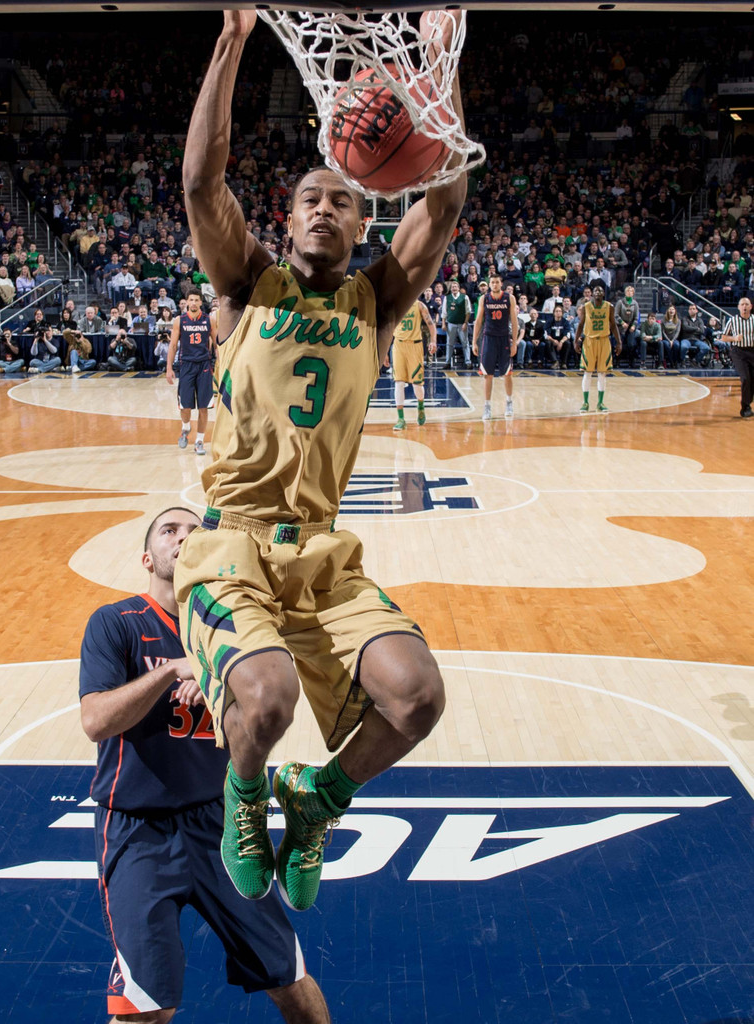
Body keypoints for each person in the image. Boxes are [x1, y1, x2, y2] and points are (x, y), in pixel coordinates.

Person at [174, 9, 457, 913]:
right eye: (311, 198)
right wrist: (230, 41)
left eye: (343, 199)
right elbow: (198, 179)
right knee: (266, 701)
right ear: (288, 217)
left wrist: (441, 64)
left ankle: (318, 796)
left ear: (363, 216)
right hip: (232, 545)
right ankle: (246, 795)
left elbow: (445, 199)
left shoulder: (376, 302)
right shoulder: (243, 283)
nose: (326, 208)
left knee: (416, 698)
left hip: (322, 554)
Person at [79, 508, 330, 1023]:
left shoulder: (234, 633)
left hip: (221, 823)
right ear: (149, 557)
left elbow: (271, 711)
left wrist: (218, 676)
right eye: (169, 531)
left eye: (195, 532)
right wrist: (171, 670)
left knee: (289, 978)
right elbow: (95, 720)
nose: (184, 537)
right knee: (148, 1009)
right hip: (138, 830)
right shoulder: (116, 623)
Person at [166, 287, 214, 454]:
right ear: (186, 302)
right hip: (186, 365)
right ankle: (186, 427)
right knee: (185, 406)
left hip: (204, 366)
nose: (193, 303)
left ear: (201, 302)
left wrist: (222, 365)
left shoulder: (209, 320)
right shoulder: (180, 320)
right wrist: (169, 368)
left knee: (203, 407)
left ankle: (199, 441)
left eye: (196, 300)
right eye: (190, 300)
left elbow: (217, 344)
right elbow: (173, 345)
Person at [472, 271, 518, 420]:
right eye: (492, 282)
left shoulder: (509, 298)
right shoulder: (484, 299)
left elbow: (514, 321)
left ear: (501, 283)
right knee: (488, 374)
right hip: (488, 338)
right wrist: (474, 341)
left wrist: (515, 342)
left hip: (504, 338)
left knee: (507, 373)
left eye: (497, 282)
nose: (495, 284)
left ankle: (509, 402)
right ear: (489, 284)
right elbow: (478, 321)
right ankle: (487, 406)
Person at [391, 298, 437, 430]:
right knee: (398, 382)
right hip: (398, 345)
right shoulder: (395, 305)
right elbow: (389, 328)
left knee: (417, 384)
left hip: (415, 346)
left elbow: (431, 324)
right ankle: (400, 419)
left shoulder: (419, 306)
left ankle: (421, 406)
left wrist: (433, 341)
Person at [574, 284, 620, 413]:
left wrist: (619, 342)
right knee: (587, 372)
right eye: (596, 290)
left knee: (602, 373)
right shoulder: (586, 307)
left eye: (600, 290)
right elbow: (581, 324)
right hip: (589, 341)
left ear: (604, 294)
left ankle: (600, 402)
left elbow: (613, 325)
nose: (598, 292)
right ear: (592, 294)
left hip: (604, 340)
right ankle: (585, 402)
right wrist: (576, 341)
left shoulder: (609, 307)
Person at [720, 295, 754, 417]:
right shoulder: (733, 320)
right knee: (745, 378)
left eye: (747, 304)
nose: (744, 307)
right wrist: (734, 338)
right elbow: (723, 337)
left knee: (751, 379)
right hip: (738, 351)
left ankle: (748, 402)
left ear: (751, 306)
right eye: (742, 304)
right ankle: (745, 407)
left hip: (752, 351)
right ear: (738, 307)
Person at [441, 279, 470, 367]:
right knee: (449, 344)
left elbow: (468, 312)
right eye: (453, 287)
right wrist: (443, 323)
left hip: (462, 323)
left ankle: (468, 362)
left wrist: (465, 323)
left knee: (465, 343)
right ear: (451, 288)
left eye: (456, 286)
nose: (454, 288)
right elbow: (444, 312)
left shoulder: (464, 297)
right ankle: (447, 362)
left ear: (459, 288)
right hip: (451, 323)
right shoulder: (447, 297)